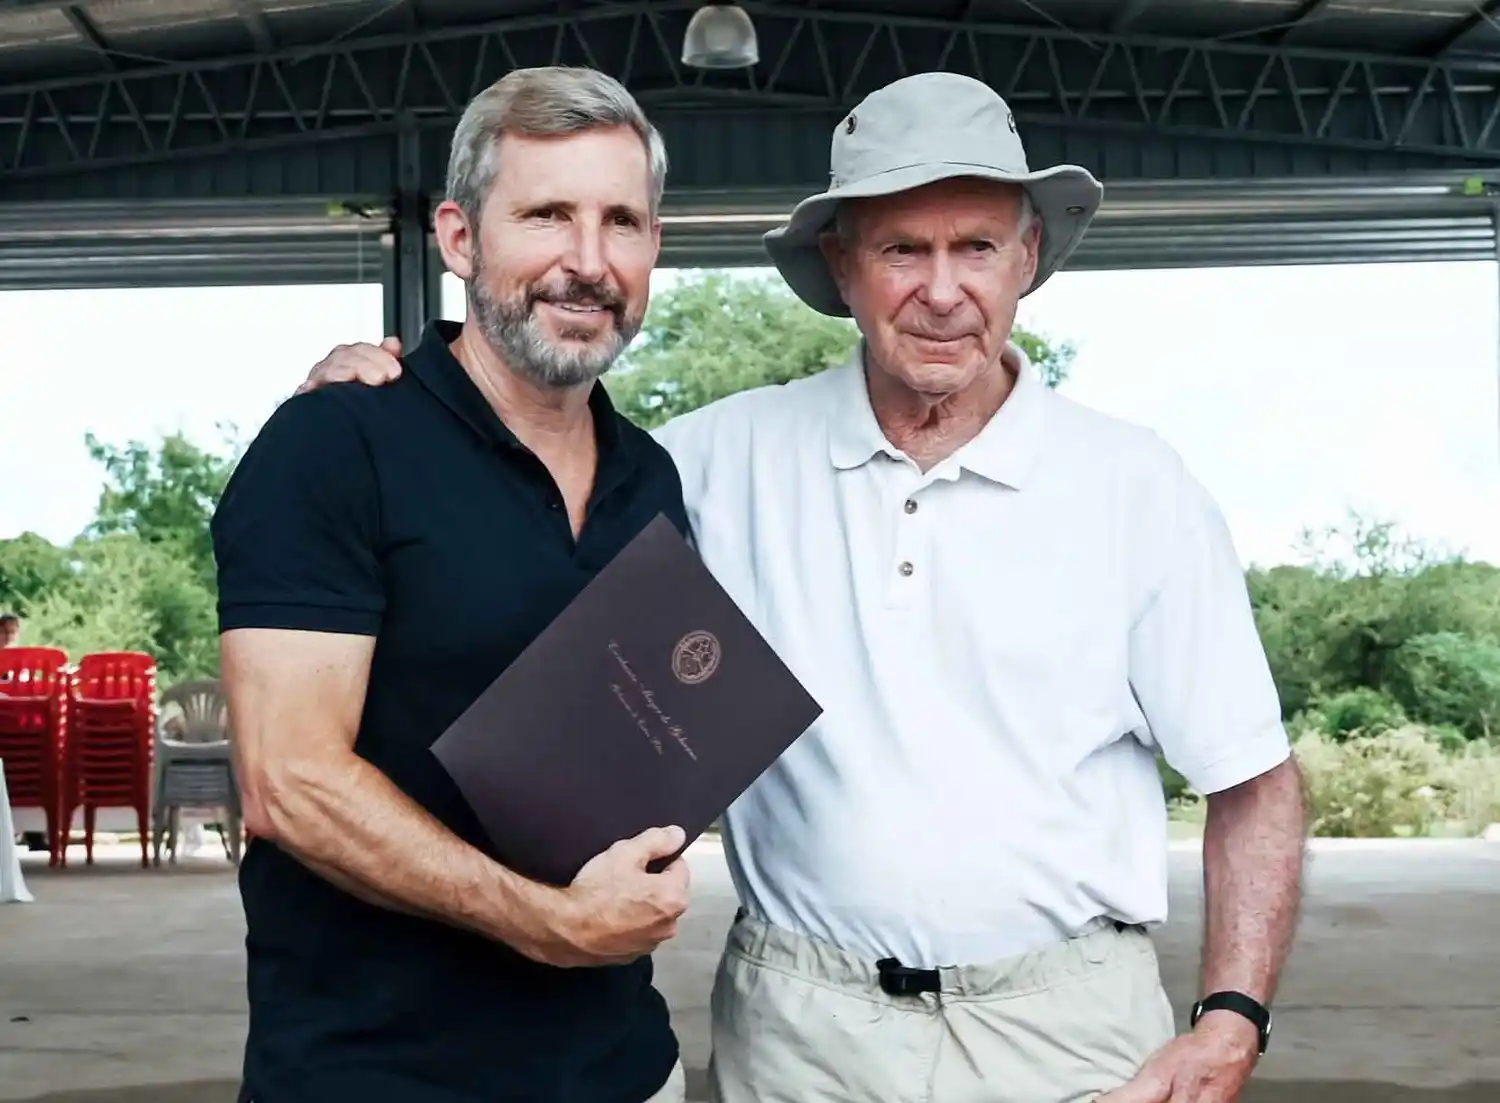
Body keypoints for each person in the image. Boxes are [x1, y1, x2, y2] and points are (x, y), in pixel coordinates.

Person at [297, 71, 1307, 1103]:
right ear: (842, 262)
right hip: (803, 1034)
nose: (943, 288)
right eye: (902, 249)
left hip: (1072, 1031)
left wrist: (1234, 1013)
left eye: (977, 247)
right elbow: (516, 450)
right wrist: (380, 401)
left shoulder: (1139, 487)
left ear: (1029, 258)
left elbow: (1254, 782)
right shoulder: (709, 461)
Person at [210, 66, 695, 1103]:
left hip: (623, 1067)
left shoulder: (650, 474)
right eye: (548, 215)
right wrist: (551, 923)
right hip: (381, 1076)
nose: (589, 261)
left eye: (623, 222)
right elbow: (288, 784)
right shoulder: (336, 443)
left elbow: (642, 753)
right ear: (460, 238)